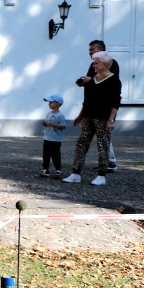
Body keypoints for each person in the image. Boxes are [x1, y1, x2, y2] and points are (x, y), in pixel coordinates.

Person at [63, 51, 120, 186]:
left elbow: (115, 102)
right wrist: (80, 115)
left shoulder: (114, 80)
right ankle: (75, 173)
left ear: (105, 64)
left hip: (102, 118)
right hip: (87, 117)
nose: (93, 65)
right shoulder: (92, 80)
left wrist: (111, 120)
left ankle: (101, 175)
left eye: (96, 62)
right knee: (81, 144)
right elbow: (87, 100)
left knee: (102, 146)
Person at [76, 40, 119, 171]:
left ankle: (108, 165)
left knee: (103, 138)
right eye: (89, 50)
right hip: (90, 109)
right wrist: (84, 83)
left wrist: (111, 119)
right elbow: (91, 87)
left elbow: (111, 89)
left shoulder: (112, 64)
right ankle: (77, 169)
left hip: (103, 110)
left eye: (92, 49)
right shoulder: (93, 64)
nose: (90, 52)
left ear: (101, 50)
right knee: (84, 141)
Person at [40, 94, 66, 179]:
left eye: (51, 102)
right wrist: (45, 124)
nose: (49, 104)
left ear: (58, 104)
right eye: (49, 102)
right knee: (46, 154)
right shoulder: (49, 114)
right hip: (47, 137)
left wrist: (51, 124)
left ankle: (58, 170)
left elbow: (63, 126)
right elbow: (48, 123)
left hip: (56, 139)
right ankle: (45, 169)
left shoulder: (60, 115)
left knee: (55, 155)